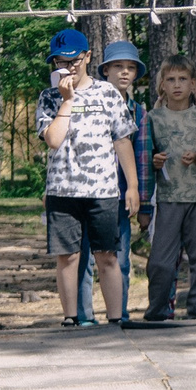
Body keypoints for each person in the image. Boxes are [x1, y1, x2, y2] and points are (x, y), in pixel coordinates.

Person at [37, 27, 139, 326]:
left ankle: (116, 320)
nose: (68, 67)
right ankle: (71, 317)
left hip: (103, 190)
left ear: (88, 57)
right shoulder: (48, 97)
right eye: (60, 62)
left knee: (107, 255)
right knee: (68, 256)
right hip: (63, 189)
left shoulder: (108, 93)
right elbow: (53, 139)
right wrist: (67, 100)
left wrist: (132, 185)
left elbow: (122, 140)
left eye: (74, 60)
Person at [142, 59, 196, 323]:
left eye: (183, 79)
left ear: (192, 84)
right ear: (162, 85)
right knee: (160, 261)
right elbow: (146, 158)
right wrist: (155, 162)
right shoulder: (153, 118)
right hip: (168, 198)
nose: (177, 85)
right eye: (171, 80)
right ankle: (157, 312)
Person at [102, 41, 147, 324]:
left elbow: (142, 158)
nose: (124, 72)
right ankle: (82, 315)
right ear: (105, 70)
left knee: (120, 258)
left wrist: (143, 200)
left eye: (131, 67)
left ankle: (121, 314)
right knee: (85, 258)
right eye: (118, 66)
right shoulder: (90, 103)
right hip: (91, 192)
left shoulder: (138, 112)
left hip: (122, 195)